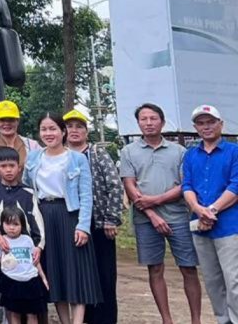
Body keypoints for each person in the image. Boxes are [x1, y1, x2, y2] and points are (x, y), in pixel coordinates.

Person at [120, 102, 203, 324]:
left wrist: (156, 200)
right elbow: (130, 185)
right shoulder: (128, 152)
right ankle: (167, 319)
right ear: (138, 123)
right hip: (145, 219)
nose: (148, 123)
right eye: (144, 119)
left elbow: (186, 185)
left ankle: (196, 319)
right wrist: (152, 214)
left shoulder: (179, 151)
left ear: (163, 122)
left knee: (188, 268)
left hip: (178, 216)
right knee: (155, 268)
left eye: (153, 118)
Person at [24, 113, 98, 324]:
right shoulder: (33, 158)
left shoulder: (77, 158)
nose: (49, 133)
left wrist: (83, 226)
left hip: (70, 216)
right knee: (55, 274)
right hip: (44, 217)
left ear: (62, 131)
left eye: (53, 129)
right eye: (44, 129)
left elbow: (86, 195)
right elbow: (27, 189)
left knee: (76, 273)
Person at [63, 108, 122, 324]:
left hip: (98, 223)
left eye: (79, 126)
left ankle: (105, 319)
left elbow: (114, 185)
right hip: (70, 224)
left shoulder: (97, 153)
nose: (74, 130)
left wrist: (111, 218)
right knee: (80, 275)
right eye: (70, 126)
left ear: (86, 131)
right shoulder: (59, 155)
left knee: (104, 274)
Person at [183, 104, 238, 324]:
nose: (206, 127)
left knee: (233, 280)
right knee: (213, 281)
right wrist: (198, 209)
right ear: (195, 127)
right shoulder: (190, 155)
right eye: (201, 123)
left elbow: (236, 185)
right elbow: (187, 185)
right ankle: (223, 320)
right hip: (201, 227)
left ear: (220, 124)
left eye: (210, 122)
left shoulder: (234, 152)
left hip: (229, 226)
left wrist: (212, 210)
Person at [0, 146, 45, 322]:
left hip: (27, 253)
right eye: (3, 166)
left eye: (12, 165)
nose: (8, 170)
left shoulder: (28, 192)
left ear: (19, 167)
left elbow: (37, 222)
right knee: (9, 301)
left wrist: (39, 246)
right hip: (4, 251)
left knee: (32, 301)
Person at [0, 205, 49, 324]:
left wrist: (43, 277)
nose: (12, 227)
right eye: (8, 224)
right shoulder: (0, 242)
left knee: (32, 314)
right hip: (11, 281)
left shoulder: (27, 239)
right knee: (13, 313)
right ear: (2, 224)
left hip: (31, 280)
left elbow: (35, 260)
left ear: (22, 225)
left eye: (16, 224)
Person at [0, 99, 40, 182]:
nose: (6, 123)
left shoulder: (33, 146)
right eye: (2, 120)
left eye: (11, 120)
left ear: (17, 121)